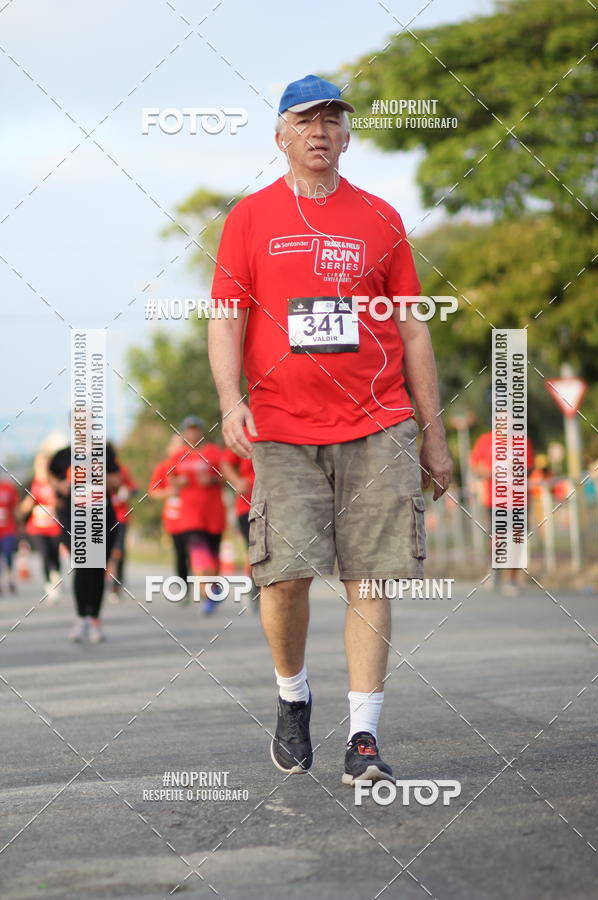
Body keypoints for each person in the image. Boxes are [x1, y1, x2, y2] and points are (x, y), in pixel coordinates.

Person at [208, 75, 452, 785]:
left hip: (380, 421)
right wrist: (231, 401)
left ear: (348, 135)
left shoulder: (379, 216)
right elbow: (227, 318)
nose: (320, 131)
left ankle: (364, 739)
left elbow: (412, 327)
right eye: (305, 120)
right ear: (281, 134)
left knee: (370, 575)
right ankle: (293, 695)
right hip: (281, 427)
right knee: (283, 579)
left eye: (333, 120)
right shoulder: (249, 218)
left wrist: (432, 435)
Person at [48, 440, 122, 642]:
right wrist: (61, 485)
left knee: (98, 568)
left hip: (102, 516)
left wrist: (98, 476)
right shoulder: (62, 454)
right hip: (74, 517)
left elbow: (117, 482)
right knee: (82, 566)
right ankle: (82, 618)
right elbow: (51, 479)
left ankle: (95, 619)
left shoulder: (104, 451)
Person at [158, 418, 225, 614]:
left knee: (213, 556)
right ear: (184, 434)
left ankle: (212, 587)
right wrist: (178, 482)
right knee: (198, 552)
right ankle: (206, 592)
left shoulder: (213, 452)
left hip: (213, 513)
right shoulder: (178, 456)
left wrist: (212, 479)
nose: (193, 434)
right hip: (189, 515)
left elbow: (226, 476)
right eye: (189, 431)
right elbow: (169, 481)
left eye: (196, 430)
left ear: (202, 432)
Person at [470, 428, 534, 594]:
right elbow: (475, 465)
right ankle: (494, 569)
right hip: (495, 498)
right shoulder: (485, 440)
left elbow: (529, 468)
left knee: (517, 537)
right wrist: (486, 472)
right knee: (497, 537)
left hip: (519, 498)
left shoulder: (522, 441)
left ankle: (511, 579)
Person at [20, 451, 62, 603]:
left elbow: (62, 501)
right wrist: (29, 503)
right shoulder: (30, 483)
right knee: (44, 554)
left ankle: (56, 577)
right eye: (40, 463)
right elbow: (22, 508)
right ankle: (48, 585)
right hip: (36, 527)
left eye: (45, 463)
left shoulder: (54, 482)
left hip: (54, 526)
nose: (43, 466)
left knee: (54, 554)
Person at [149, 435, 191, 586]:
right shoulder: (163, 467)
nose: (180, 449)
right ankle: (184, 584)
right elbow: (153, 491)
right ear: (169, 449)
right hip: (174, 518)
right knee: (181, 552)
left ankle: (201, 583)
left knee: (195, 551)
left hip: (195, 516)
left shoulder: (192, 464)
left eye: (183, 446)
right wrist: (169, 492)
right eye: (177, 446)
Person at [220, 448, 258, 609]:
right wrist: (237, 482)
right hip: (248, 504)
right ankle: (254, 587)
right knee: (254, 548)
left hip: (278, 503)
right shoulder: (244, 432)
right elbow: (225, 463)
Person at [106, 446, 139, 603]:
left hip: (120, 518)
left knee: (118, 551)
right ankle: (105, 580)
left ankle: (116, 585)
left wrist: (126, 491)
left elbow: (134, 488)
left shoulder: (121, 469)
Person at [0, 475, 20, 595]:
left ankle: (10, 578)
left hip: (8, 528)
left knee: (8, 554)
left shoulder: (8, 487)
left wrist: (20, 523)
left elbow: (15, 507)